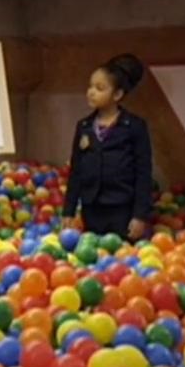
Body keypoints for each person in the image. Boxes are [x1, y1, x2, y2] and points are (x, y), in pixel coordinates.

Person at [61, 53, 154, 240]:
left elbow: (143, 174)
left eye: (100, 88)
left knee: (119, 254)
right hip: (92, 209)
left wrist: (139, 215)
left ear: (117, 94)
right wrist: (68, 211)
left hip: (122, 210)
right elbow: (76, 171)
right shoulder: (84, 126)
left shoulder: (134, 126)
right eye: (90, 86)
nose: (91, 92)